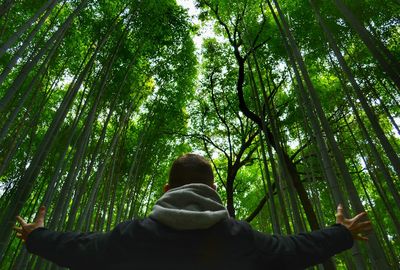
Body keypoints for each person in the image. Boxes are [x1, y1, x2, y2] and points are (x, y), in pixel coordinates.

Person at [14, 153, 371, 269]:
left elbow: (78, 248)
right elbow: (294, 249)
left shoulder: (133, 235)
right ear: (213, 192)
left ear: (167, 190)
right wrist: (341, 233)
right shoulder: (240, 237)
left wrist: (37, 236)